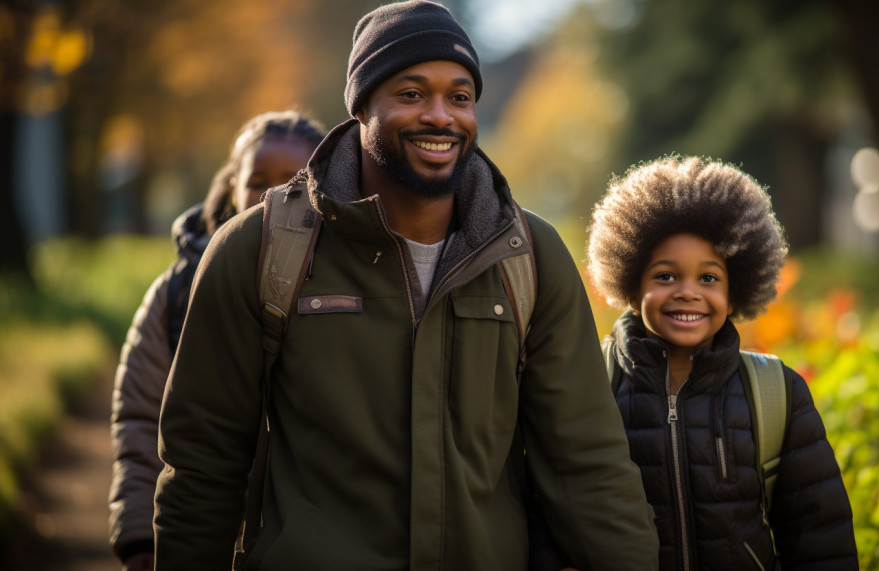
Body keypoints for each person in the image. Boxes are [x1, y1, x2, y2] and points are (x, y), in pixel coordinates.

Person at [153, 2, 658, 570]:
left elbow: (587, 462)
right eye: (411, 94)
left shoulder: (531, 256)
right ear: (362, 106)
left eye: (459, 97)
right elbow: (202, 467)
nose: (441, 116)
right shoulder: (259, 250)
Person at [585, 154, 858, 570]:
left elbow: (820, 536)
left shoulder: (775, 394)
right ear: (630, 283)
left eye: (708, 278)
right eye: (665, 276)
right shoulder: (593, 387)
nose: (687, 292)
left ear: (735, 293)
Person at [108, 110, 326, 571]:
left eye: (294, 181)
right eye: (257, 180)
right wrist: (139, 537)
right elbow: (142, 419)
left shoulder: (337, 290)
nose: (272, 196)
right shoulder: (177, 291)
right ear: (231, 187)